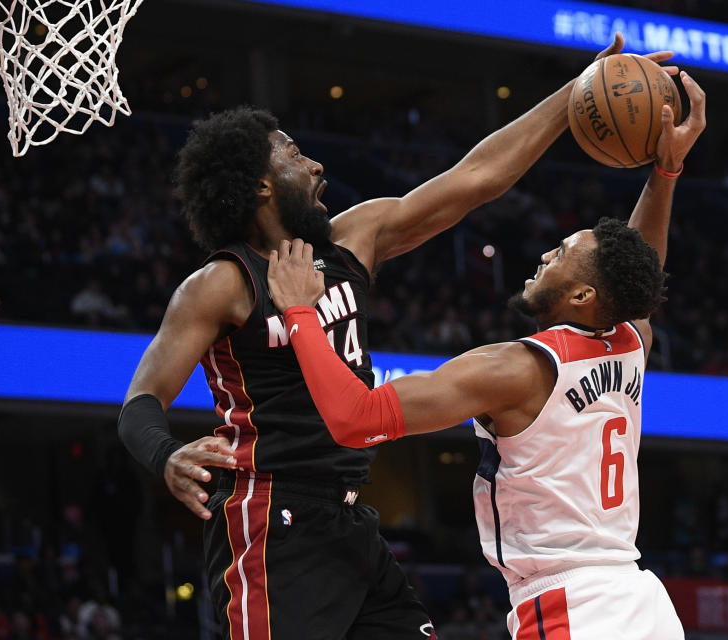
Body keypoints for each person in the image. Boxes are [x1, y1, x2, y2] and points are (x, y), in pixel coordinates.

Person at [117, 35, 678, 640]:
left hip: (349, 515)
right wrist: (165, 454)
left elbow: (479, 177)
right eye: (294, 154)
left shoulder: (354, 236)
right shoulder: (221, 285)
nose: (315, 164)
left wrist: (577, 94)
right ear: (259, 185)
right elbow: (141, 400)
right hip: (267, 517)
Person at [264, 70, 705, 639]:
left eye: (565, 251)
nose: (549, 251)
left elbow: (356, 419)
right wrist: (665, 172)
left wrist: (301, 314)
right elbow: (640, 268)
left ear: (583, 296)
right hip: (642, 601)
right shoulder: (627, 342)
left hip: (571, 606)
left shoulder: (516, 370)